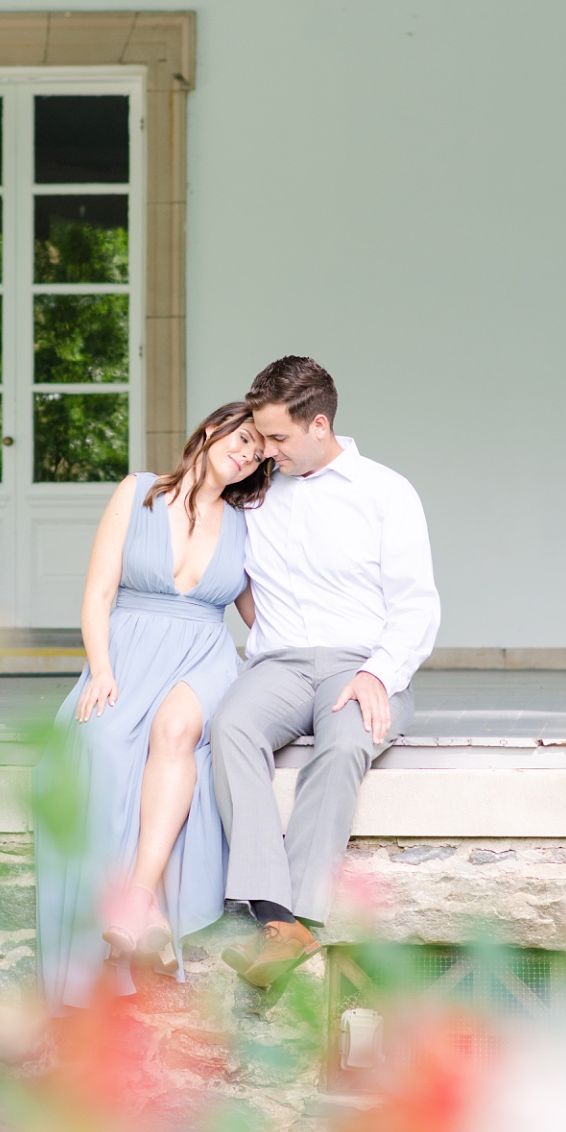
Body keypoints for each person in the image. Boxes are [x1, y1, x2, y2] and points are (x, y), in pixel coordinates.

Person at [210, 356, 439, 990]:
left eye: (279, 438)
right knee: (229, 725)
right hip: (279, 663)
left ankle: (298, 919)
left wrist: (379, 674)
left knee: (340, 748)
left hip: (360, 664)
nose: (268, 451)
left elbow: (417, 603)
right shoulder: (255, 492)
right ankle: (276, 918)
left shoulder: (385, 492)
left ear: (318, 425)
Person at [35, 402, 271, 1011]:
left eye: (257, 452)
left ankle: (136, 900)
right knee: (103, 746)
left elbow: (264, 619)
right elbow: (98, 591)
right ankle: (150, 923)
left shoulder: (250, 523)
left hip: (205, 655)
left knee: (174, 731)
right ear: (211, 430)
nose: (246, 454)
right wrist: (102, 668)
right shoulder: (136, 492)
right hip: (129, 650)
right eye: (242, 439)